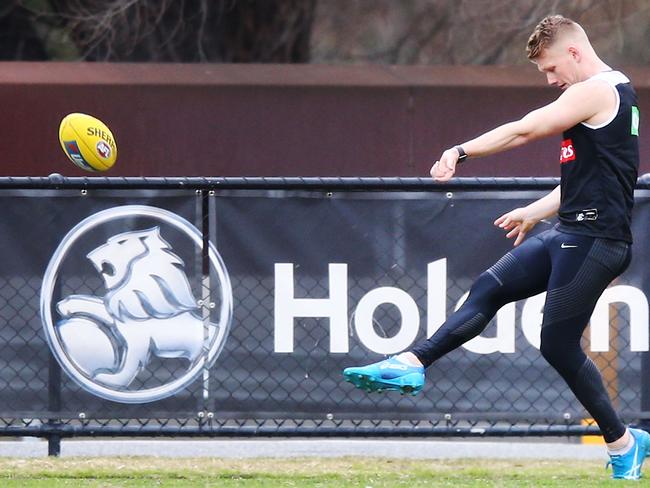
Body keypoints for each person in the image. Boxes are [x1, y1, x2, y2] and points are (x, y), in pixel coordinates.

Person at [343, 15, 646, 480]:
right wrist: (536, 211)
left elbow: (525, 129)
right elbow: (597, 180)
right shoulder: (610, 95)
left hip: (595, 241)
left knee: (557, 344)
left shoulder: (595, 90)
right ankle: (412, 362)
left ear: (573, 53)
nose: (549, 81)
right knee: (490, 286)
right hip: (571, 232)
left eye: (549, 69)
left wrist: (460, 151)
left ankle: (624, 442)